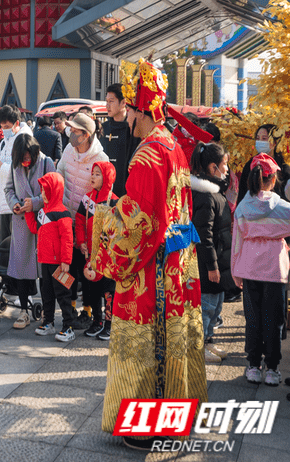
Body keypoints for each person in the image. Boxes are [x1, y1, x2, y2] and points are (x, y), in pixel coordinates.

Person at [89, 60, 206, 450]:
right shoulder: (173, 147)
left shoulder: (145, 156)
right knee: (174, 343)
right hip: (178, 265)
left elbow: (136, 226)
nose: (128, 120)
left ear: (140, 111)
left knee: (148, 345)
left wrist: (103, 214)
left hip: (151, 270)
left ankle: (147, 425)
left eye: (131, 111)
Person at [231, 153, 290, 387]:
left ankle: (253, 365)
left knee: (253, 319)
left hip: (249, 266)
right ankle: (272, 368)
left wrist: (235, 272)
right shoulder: (284, 208)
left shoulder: (242, 208)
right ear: (273, 179)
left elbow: (237, 243)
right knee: (274, 319)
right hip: (275, 268)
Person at [57, 111, 109, 329]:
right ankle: (70, 306)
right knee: (70, 264)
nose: (70, 133)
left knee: (86, 266)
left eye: (75, 131)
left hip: (88, 224)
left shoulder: (101, 159)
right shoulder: (69, 149)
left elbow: (105, 192)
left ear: (86, 135)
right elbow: (60, 171)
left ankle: (88, 310)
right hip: (67, 217)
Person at [4, 133, 56, 330]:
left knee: (44, 271)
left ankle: (47, 312)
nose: (25, 160)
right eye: (22, 157)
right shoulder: (15, 164)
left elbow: (54, 192)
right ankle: (24, 311)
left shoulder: (46, 163)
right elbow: (8, 189)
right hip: (21, 222)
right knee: (21, 267)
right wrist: (15, 204)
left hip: (43, 222)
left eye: (28, 156)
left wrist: (33, 203)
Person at [189, 142, 232, 364]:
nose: (227, 169)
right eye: (224, 164)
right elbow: (203, 236)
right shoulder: (205, 196)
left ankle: (208, 341)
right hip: (207, 265)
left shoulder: (214, 191)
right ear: (213, 167)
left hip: (218, 262)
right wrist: (213, 266)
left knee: (216, 306)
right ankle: (199, 345)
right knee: (205, 308)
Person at [26, 172, 77, 343]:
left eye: (46, 190)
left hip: (58, 264)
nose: (43, 194)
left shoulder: (63, 213)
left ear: (54, 190)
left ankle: (68, 327)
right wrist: (27, 212)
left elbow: (68, 239)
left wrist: (65, 261)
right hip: (44, 261)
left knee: (63, 295)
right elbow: (34, 228)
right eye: (42, 190)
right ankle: (48, 322)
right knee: (46, 294)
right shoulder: (42, 212)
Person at [75, 161, 117, 339]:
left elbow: (118, 229)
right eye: (92, 173)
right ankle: (97, 321)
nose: (93, 176)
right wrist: (81, 241)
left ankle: (109, 324)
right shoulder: (86, 199)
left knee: (108, 291)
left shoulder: (114, 201)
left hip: (108, 255)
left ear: (107, 177)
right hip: (91, 254)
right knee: (92, 288)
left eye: (98, 174)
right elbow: (79, 221)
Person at [0, 105, 33, 244]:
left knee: (16, 247)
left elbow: (26, 170)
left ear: (17, 123)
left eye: (7, 126)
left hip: (17, 202)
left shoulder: (25, 140)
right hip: (3, 202)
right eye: (2, 126)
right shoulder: (3, 142)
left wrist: (2, 167)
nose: (4, 130)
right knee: (4, 246)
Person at [237, 124, 290, 204]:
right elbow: (242, 194)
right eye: (257, 138)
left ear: (275, 142)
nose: (260, 142)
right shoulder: (250, 165)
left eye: (264, 139)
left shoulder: (284, 169)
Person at [100, 83, 136, 197]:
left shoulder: (132, 129)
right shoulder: (104, 127)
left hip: (125, 190)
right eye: (106, 101)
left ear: (123, 103)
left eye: (111, 101)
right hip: (104, 188)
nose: (107, 105)